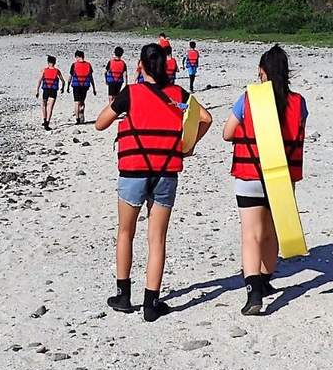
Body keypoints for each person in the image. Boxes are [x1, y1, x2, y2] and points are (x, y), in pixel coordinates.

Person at [94, 43, 212, 322]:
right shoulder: (179, 94)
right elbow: (206, 118)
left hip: (134, 171)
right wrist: (188, 145)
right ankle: (151, 303)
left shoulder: (130, 93)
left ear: (141, 65)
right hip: (166, 172)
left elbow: (100, 123)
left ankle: (123, 295)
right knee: (157, 238)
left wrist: (122, 109)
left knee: (126, 232)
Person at [221, 45, 307, 315]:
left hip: (250, 175)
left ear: (262, 71)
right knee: (271, 232)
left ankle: (254, 292)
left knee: (251, 235)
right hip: (281, 177)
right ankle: (266, 280)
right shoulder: (299, 102)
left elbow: (227, 133)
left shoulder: (248, 98)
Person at [67, 50, 96, 124]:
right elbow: (91, 77)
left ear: (77, 57)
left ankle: (77, 119)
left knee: (76, 102)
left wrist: (67, 86)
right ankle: (82, 115)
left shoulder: (74, 65)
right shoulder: (88, 65)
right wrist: (94, 88)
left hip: (76, 85)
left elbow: (70, 77)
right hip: (85, 85)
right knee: (82, 102)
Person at [36, 55, 63, 130]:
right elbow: (63, 81)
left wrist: (37, 90)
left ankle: (44, 120)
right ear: (55, 63)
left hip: (46, 90)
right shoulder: (57, 71)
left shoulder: (44, 70)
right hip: (53, 90)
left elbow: (40, 80)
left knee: (44, 105)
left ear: (48, 62)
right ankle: (47, 123)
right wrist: (63, 88)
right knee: (50, 107)